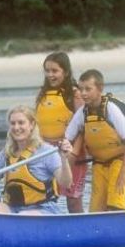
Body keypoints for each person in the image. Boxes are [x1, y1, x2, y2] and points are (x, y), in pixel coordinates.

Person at [0, 105, 73, 215]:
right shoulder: (5, 155)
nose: (16, 127)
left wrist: (64, 159)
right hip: (14, 210)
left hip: (44, 209)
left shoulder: (47, 152)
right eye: (13, 123)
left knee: (25, 215)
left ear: (32, 125)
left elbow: (66, 183)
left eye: (21, 123)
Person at [65, 69, 125, 212]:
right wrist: (63, 149)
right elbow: (67, 139)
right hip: (99, 165)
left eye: (88, 89)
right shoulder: (82, 113)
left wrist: (123, 173)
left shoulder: (111, 109)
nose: (83, 93)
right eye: (81, 89)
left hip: (119, 162)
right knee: (96, 211)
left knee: (116, 207)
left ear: (100, 89)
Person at [35, 52, 87, 213]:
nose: (50, 75)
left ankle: (79, 231)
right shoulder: (42, 94)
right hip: (46, 152)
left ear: (65, 71)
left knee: (73, 197)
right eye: (47, 70)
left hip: (70, 151)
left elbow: (83, 127)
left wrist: (73, 153)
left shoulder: (75, 94)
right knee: (47, 196)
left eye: (55, 71)